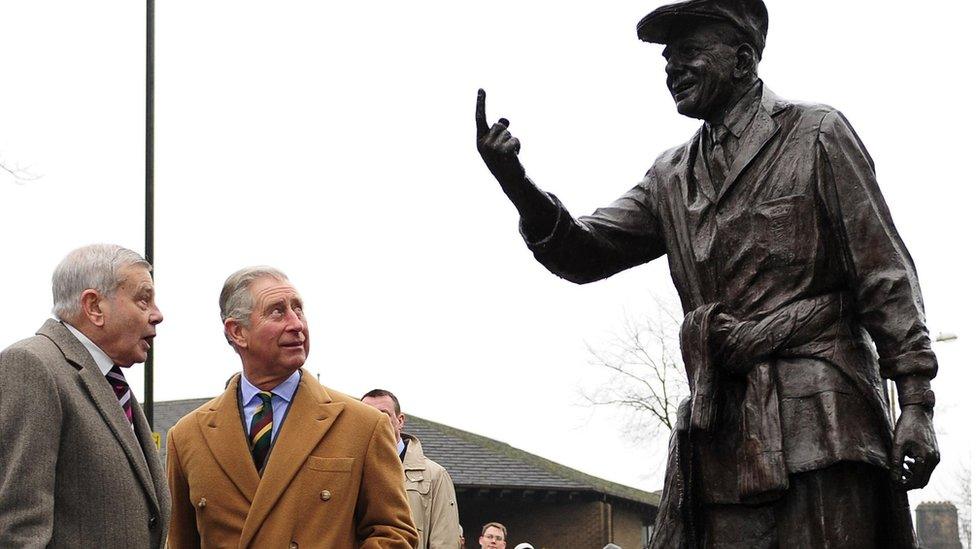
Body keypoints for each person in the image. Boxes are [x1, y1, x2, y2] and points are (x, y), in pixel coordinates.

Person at [475, 0, 938, 547]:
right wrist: (516, 183)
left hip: (825, 422)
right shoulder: (671, 175)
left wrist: (916, 401)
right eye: (667, 59)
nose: (671, 69)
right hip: (723, 435)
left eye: (689, 53)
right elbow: (586, 252)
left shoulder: (817, 135)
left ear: (743, 61)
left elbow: (883, 272)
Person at [166, 266, 417, 548]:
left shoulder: (363, 425)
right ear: (237, 332)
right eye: (277, 311)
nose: (296, 324)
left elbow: (395, 535)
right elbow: (179, 540)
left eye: (298, 310)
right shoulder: (187, 436)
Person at [0, 244, 169, 547]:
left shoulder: (111, 382)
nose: (157, 315)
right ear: (94, 307)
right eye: (144, 300)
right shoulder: (33, 365)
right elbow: (17, 528)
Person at [362, 388, 463, 549]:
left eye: (383, 414)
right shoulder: (350, 472)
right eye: (367, 414)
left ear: (400, 420)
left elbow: (445, 541)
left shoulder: (435, 475)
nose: (375, 420)